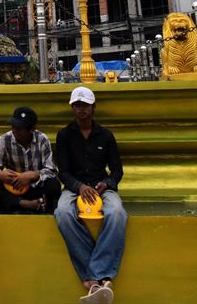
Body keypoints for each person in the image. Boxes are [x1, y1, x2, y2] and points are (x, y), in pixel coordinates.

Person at [54, 86, 127, 304]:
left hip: (101, 186)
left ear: (94, 107)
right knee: (63, 213)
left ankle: (93, 275)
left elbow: (117, 171)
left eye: (85, 105)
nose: (81, 109)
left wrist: (106, 184)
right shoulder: (64, 135)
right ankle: (99, 279)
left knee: (117, 213)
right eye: (77, 105)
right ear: (72, 108)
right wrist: (79, 187)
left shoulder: (106, 135)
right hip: (74, 187)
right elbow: (63, 172)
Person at [0, 105, 61, 213]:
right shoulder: (3, 140)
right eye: (13, 126)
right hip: (11, 187)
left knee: (54, 185)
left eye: (19, 128)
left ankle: (13, 204)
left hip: (33, 187)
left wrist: (32, 175)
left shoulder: (42, 140)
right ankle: (25, 204)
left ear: (32, 129)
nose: (14, 130)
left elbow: (51, 170)